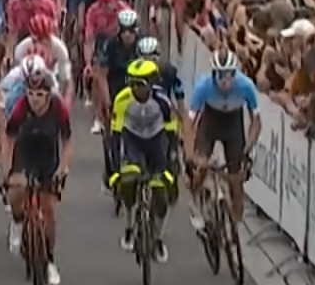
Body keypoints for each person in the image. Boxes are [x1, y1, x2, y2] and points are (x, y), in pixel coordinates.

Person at [3, 63, 71, 285]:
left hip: (47, 155)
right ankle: (18, 222)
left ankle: (50, 260)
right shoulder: (20, 108)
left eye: (40, 95)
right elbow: (9, 140)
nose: (35, 99)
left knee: (49, 208)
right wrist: (6, 170)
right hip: (25, 152)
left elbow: (66, 139)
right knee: (17, 193)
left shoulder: (58, 108)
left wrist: (64, 167)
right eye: (31, 94)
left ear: (48, 95)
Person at [184, 48, 261, 238]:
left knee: (236, 180)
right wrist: (190, 155)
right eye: (221, 75)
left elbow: (256, 122)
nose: (226, 80)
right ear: (214, 74)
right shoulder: (203, 86)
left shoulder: (245, 86)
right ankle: (196, 205)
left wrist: (248, 147)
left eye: (230, 75)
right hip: (210, 122)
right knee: (200, 168)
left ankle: (234, 228)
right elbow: (189, 124)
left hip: (233, 125)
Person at [109, 58, 179, 262]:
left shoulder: (162, 101)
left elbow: (171, 133)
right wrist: (115, 170)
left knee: (161, 195)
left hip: (157, 142)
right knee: (129, 179)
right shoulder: (122, 99)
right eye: (131, 82)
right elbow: (114, 136)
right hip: (133, 141)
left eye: (140, 83)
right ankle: (130, 226)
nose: (135, 88)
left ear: (151, 83)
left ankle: (157, 239)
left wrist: (171, 159)